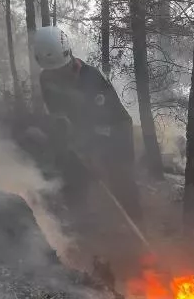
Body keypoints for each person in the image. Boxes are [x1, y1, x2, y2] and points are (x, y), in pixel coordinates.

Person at [33, 25, 142, 223]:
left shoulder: (92, 79)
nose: (57, 75)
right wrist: (67, 135)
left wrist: (94, 153)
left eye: (62, 69)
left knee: (121, 180)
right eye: (53, 71)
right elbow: (58, 113)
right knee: (73, 176)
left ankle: (136, 226)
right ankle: (81, 225)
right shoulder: (46, 78)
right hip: (82, 134)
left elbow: (105, 122)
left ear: (69, 56)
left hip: (116, 130)